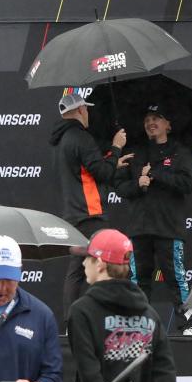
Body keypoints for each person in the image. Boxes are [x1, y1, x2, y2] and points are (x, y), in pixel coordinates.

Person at [66, 229, 176, 382]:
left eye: (87, 258)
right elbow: (166, 377)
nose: (82, 264)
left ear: (100, 264)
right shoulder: (149, 313)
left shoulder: (82, 311)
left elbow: (91, 378)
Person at [114, 105, 192, 335]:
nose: (151, 122)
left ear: (168, 125)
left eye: (157, 118)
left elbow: (188, 184)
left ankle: (187, 325)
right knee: (137, 279)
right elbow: (120, 187)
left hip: (168, 227)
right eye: (148, 119)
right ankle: (137, 327)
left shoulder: (180, 152)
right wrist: (137, 184)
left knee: (176, 279)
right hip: (139, 227)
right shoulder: (135, 153)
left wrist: (155, 174)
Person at [51, 92, 133, 314]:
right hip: (91, 215)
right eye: (86, 109)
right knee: (110, 264)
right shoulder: (81, 137)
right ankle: (108, 318)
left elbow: (87, 171)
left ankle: (72, 323)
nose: (88, 113)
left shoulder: (61, 141)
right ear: (79, 110)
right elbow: (102, 173)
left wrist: (113, 162)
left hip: (73, 216)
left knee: (77, 272)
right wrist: (116, 147)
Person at [0, 236, 62, 382]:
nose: (1, 288)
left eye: (9, 279)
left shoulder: (41, 315)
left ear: (20, 272)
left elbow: (54, 377)